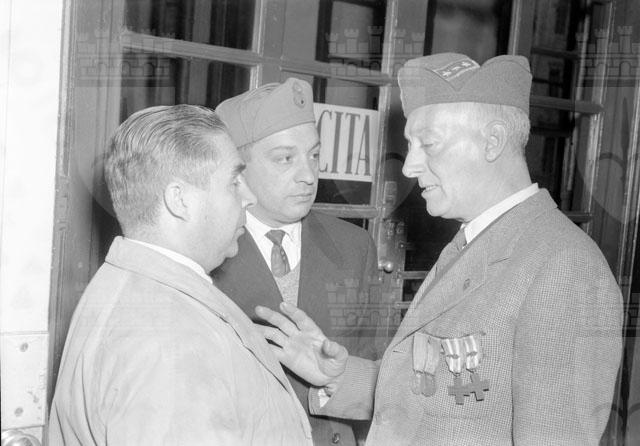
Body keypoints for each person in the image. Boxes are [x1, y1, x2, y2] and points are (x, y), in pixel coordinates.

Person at [255, 54, 624, 445]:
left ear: (493, 141)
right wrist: (335, 376)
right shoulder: (474, 242)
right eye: (410, 146)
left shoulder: (566, 268)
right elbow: (435, 398)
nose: (409, 166)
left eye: (428, 144)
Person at [48, 105, 313, 445]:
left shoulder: (136, 288)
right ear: (180, 200)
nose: (249, 197)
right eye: (234, 182)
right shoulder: (167, 343)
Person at [213, 78, 379, 445]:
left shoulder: (354, 246)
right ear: (238, 167)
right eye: (285, 159)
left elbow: (377, 385)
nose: (308, 175)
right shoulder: (205, 254)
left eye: (314, 155)